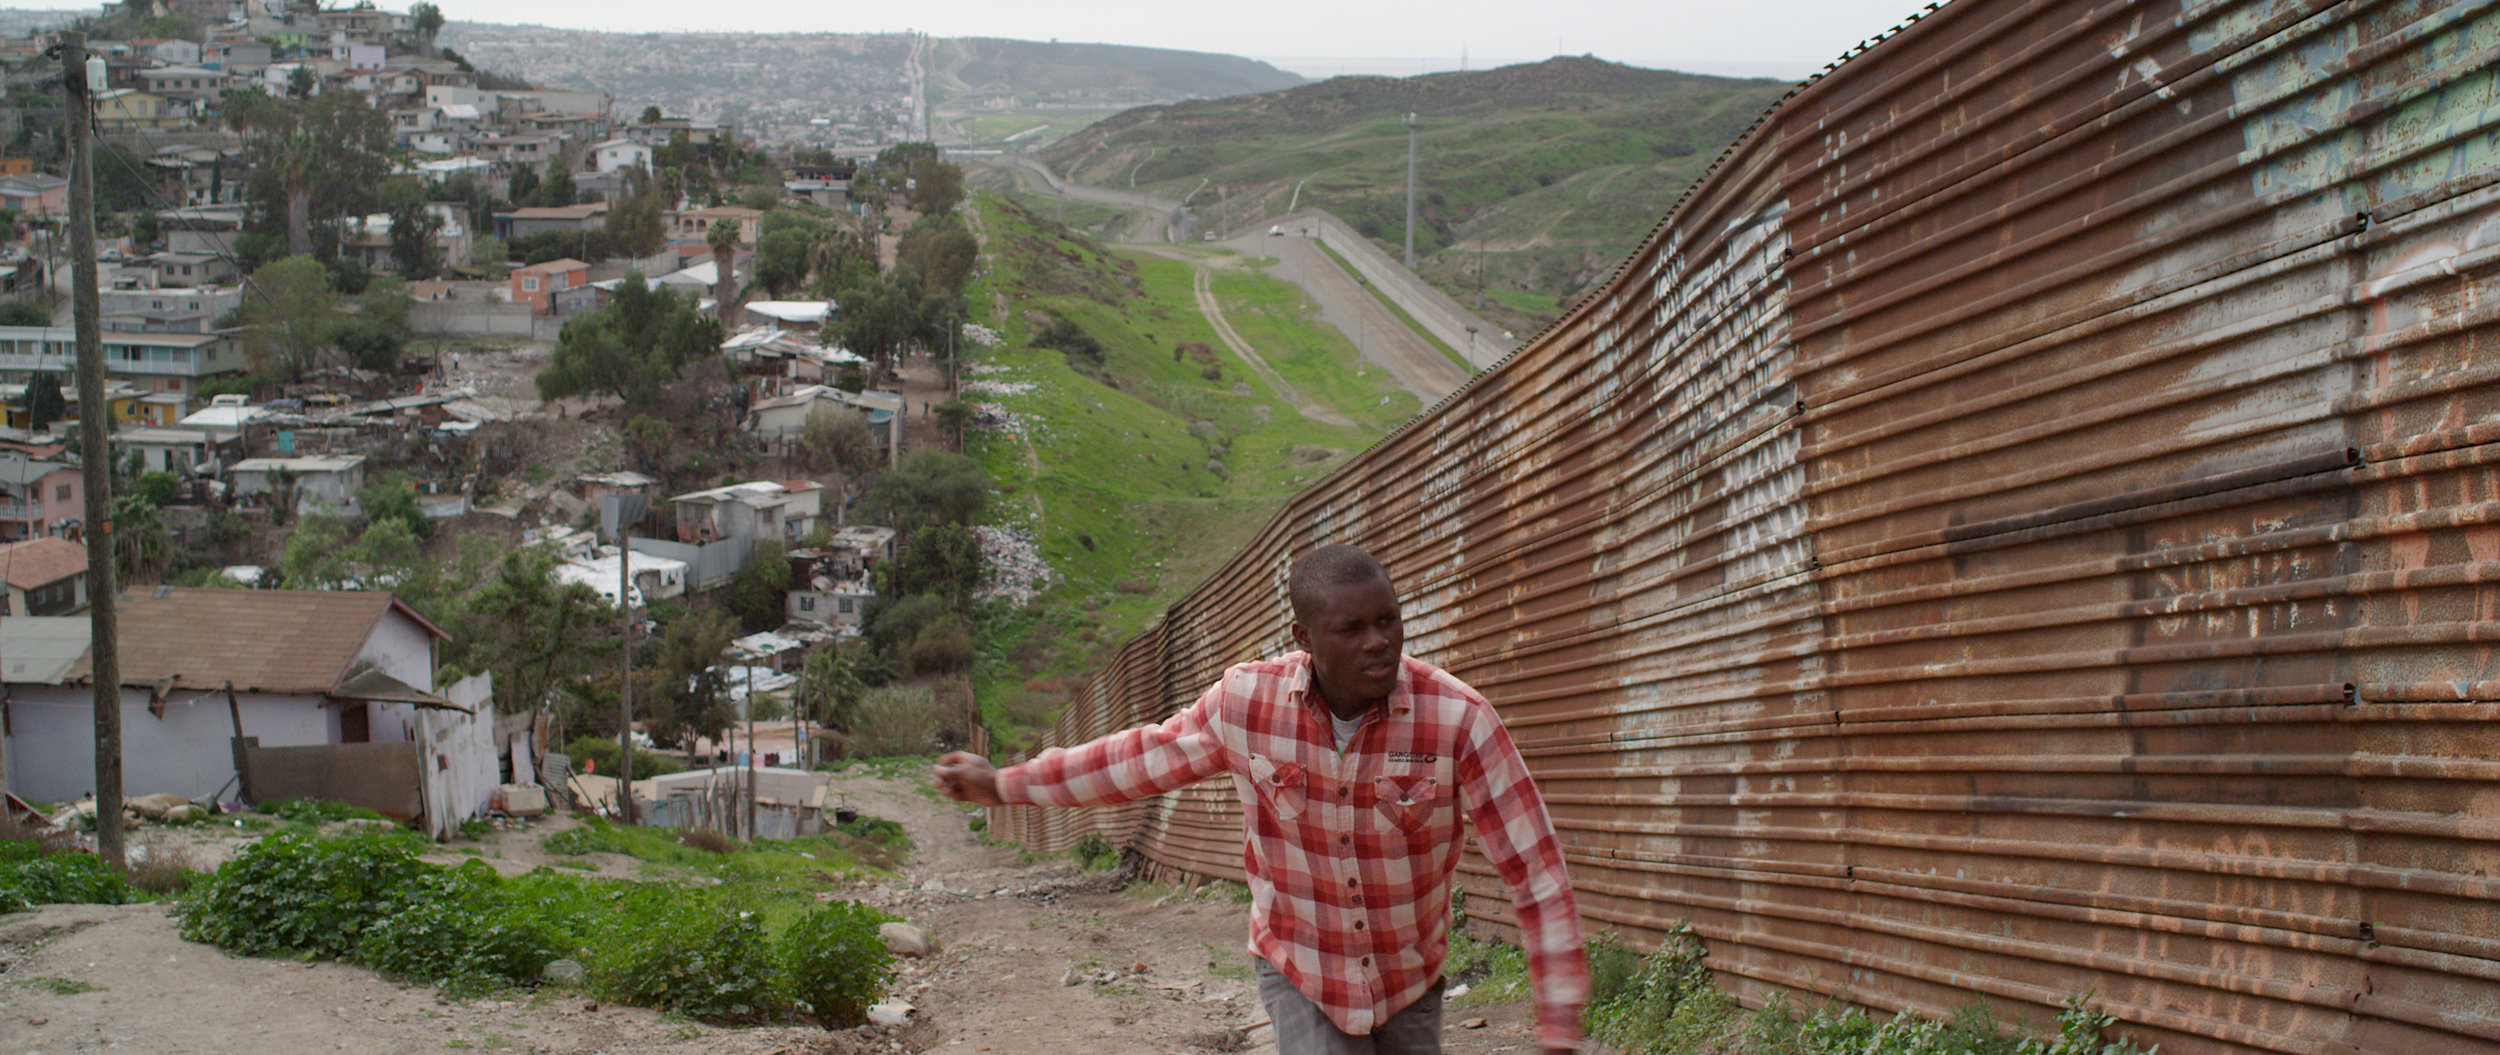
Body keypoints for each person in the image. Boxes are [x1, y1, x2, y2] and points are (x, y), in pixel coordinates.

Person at [934, 543, 1588, 1054]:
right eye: (1352, 627)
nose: (1378, 641)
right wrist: (1003, 783)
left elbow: (1536, 870)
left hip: (1408, 978)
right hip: (1301, 968)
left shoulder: (1458, 719)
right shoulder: (1247, 704)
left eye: (1388, 620)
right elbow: (1137, 759)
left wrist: (1558, 1028)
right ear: (1305, 640)